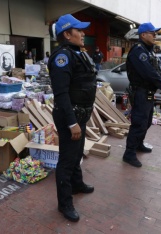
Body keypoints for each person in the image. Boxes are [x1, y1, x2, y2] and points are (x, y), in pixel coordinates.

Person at [48, 14, 97, 222]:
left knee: (77, 153)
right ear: (67, 34)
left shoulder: (78, 53)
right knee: (67, 161)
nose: (83, 33)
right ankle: (64, 204)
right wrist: (72, 123)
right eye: (79, 30)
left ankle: (77, 184)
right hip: (70, 116)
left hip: (81, 114)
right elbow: (61, 94)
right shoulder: (63, 57)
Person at [123, 22, 161, 168]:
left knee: (147, 122)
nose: (155, 35)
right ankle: (129, 154)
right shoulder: (138, 51)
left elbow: (158, 68)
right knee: (139, 123)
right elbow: (147, 72)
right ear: (143, 35)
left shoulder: (150, 51)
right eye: (152, 33)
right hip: (140, 92)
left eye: (155, 33)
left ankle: (139, 144)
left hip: (148, 92)